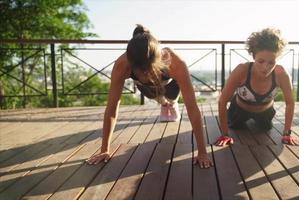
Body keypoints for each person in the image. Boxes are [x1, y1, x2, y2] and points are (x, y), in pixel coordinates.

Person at [86, 25, 213, 168]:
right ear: (131, 64)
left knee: (170, 97)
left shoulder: (175, 62)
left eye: (149, 70)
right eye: (141, 72)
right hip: (147, 89)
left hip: (171, 86)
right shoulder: (122, 65)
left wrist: (202, 152)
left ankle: (170, 103)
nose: (146, 74)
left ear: (159, 60)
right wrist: (105, 150)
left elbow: (192, 108)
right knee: (156, 95)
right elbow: (112, 108)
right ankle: (164, 104)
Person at [215, 28, 299, 146]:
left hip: (265, 113)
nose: (266, 67)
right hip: (238, 112)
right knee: (238, 129)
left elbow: (290, 103)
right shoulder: (242, 70)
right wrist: (224, 134)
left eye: (271, 62)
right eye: (260, 61)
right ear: (253, 57)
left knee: (264, 130)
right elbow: (223, 100)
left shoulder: (281, 74)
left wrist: (287, 133)